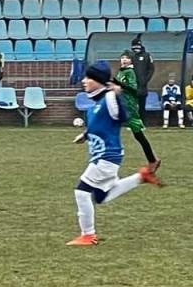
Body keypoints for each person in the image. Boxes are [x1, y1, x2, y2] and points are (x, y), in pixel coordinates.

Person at [69, 62, 161, 247]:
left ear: (99, 81)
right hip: (105, 157)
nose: (84, 81)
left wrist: (116, 95)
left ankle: (88, 235)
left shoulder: (109, 97)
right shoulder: (95, 105)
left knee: (81, 192)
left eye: (89, 78)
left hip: (106, 157)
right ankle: (141, 177)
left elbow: (121, 117)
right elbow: (101, 125)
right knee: (101, 197)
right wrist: (85, 135)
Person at [111, 52, 159, 170]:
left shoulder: (130, 72)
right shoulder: (121, 71)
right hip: (121, 105)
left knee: (139, 135)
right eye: (122, 58)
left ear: (131, 61)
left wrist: (118, 84)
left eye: (127, 58)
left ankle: (153, 160)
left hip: (129, 107)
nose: (124, 60)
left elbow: (133, 89)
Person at [128, 35, 155, 109]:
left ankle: (142, 120)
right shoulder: (130, 56)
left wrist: (145, 80)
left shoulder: (147, 55)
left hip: (142, 88)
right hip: (131, 88)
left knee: (142, 109)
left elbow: (151, 69)